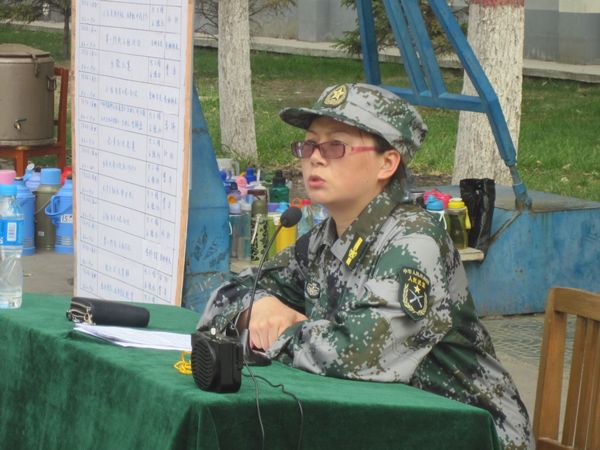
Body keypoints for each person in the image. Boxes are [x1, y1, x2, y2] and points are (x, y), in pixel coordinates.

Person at [198, 83, 533, 450]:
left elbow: (357, 353)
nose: (315, 159)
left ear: (387, 163)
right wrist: (257, 308)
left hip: (470, 433)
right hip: (385, 427)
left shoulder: (413, 241)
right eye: (308, 145)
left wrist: (278, 332)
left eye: (335, 146)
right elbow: (226, 296)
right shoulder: (326, 237)